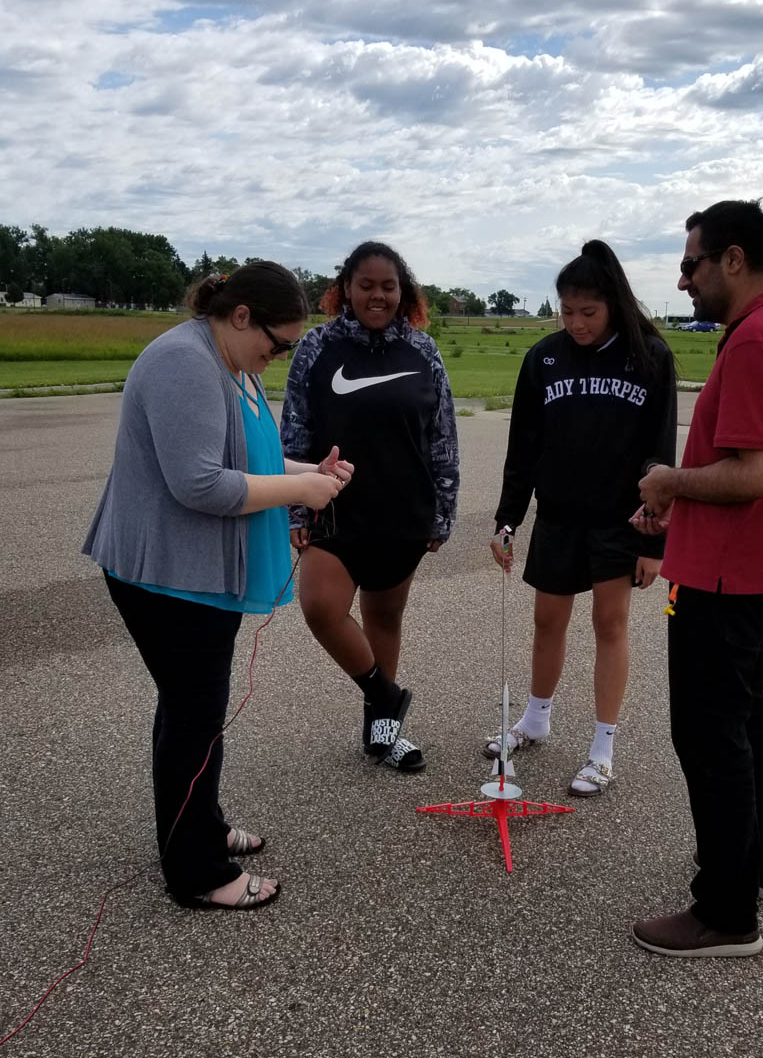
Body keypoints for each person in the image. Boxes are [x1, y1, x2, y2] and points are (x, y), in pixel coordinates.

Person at [83, 264, 351, 911]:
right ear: (240, 317)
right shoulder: (183, 363)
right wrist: (303, 490)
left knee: (191, 713)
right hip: (165, 577)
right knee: (195, 716)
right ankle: (196, 873)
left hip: (193, 575)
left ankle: (198, 828)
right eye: (277, 343)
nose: (278, 357)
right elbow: (201, 484)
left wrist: (305, 470)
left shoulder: (231, 364)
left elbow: (246, 462)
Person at [629, 200, 763, 958]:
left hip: (726, 582)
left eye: (691, 264)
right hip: (758, 568)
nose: (683, 281)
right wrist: (679, 512)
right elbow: (753, 474)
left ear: (733, 260)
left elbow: (758, 472)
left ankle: (725, 912)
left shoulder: (755, 341)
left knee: (711, 737)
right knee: (746, 720)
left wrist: (671, 482)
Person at [486, 240, 677, 795]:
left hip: (621, 522)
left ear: (613, 304)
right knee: (547, 620)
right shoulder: (543, 359)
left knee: (610, 625)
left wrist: (654, 542)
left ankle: (602, 746)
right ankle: (536, 719)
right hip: (559, 516)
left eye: (588, 313)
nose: (575, 323)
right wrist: (507, 520)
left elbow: (659, 451)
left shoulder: (649, 357)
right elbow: (523, 448)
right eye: (566, 312)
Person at [281, 242, 459, 773]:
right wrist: (294, 506)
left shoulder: (423, 351)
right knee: (320, 608)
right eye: (367, 285)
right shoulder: (316, 347)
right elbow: (294, 429)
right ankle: (387, 696)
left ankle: (384, 733)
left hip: (404, 510)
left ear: (403, 292)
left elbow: (443, 436)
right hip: (332, 507)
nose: (377, 296)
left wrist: (443, 509)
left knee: (384, 618)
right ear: (346, 289)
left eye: (388, 286)